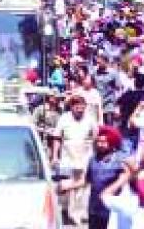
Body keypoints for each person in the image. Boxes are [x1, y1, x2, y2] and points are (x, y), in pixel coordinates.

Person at [54, 95, 96, 225]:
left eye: (82, 106)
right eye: (77, 106)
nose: (80, 109)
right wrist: (55, 156)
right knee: (68, 185)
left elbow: (95, 136)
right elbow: (57, 137)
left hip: (84, 154)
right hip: (68, 155)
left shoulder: (90, 119)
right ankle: (66, 212)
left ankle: (78, 214)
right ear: (72, 107)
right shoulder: (64, 118)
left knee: (82, 185)